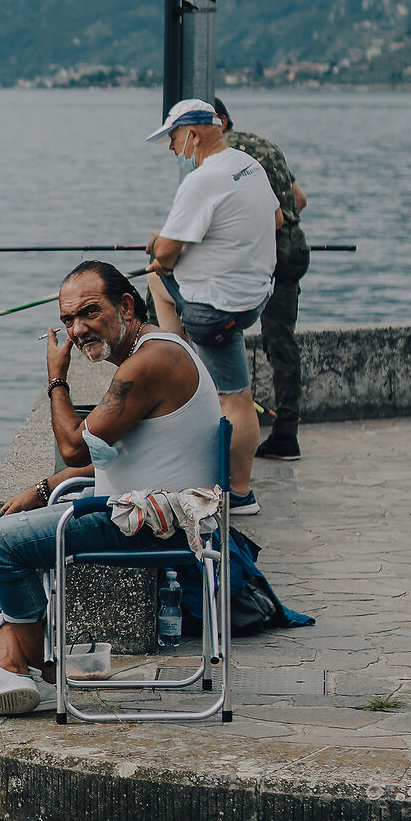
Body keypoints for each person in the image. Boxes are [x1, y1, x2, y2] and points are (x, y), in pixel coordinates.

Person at [0, 260, 224, 714]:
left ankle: (32, 665)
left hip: (152, 521)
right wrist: (42, 486)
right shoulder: (153, 353)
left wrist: (57, 376)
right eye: (67, 320)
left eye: (89, 312)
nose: (76, 329)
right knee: (6, 523)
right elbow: (115, 458)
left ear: (126, 305)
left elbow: (75, 447)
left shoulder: (150, 362)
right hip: (138, 506)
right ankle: (13, 663)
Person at [141, 96, 279, 517]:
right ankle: (183, 362)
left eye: (173, 137)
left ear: (194, 134)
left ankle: (239, 494)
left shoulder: (201, 181)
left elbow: (165, 255)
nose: (171, 147)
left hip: (216, 307)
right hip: (255, 293)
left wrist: (158, 241)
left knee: (235, 398)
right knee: (159, 282)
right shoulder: (247, 164)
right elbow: (273, 220)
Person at [213, 94, 308, 461]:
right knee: (282, 342)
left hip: (266, 254)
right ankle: (286, 431)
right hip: (293, 248)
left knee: (221, 332)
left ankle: (238, 428)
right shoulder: (265, 145)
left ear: (218, 122)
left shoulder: (228, 156)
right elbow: (298, 200)